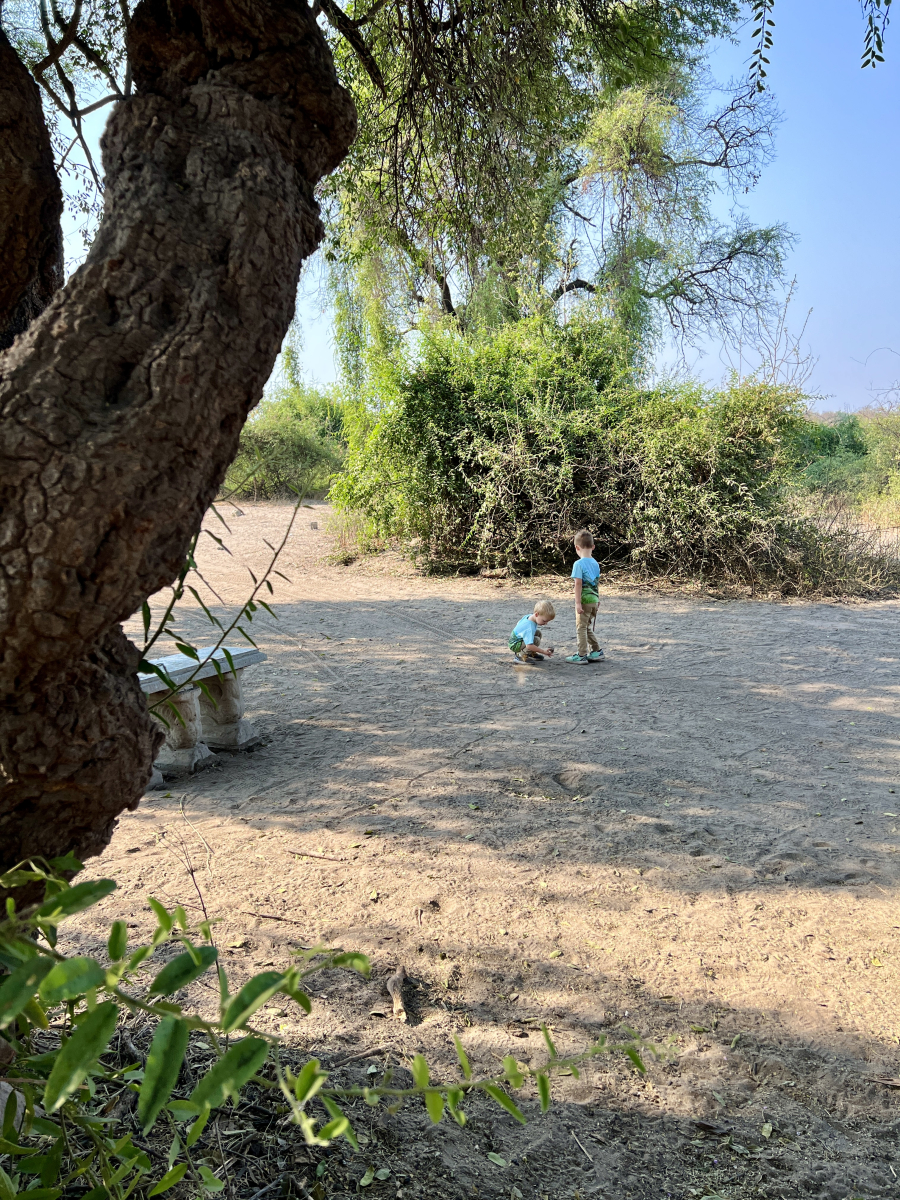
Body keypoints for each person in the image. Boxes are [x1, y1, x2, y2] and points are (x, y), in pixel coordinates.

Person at [566, 529, 604, 665]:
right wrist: (598, 599)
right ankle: (596, 650)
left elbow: (578, 584)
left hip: (585, 600)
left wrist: (577, 603)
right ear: (593, 547)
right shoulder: (595, 563)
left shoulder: (578, 564)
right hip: (594, 600)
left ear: (577, 547)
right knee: (586, 627)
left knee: (581, 628)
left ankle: (581, 654)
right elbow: (596, 583)